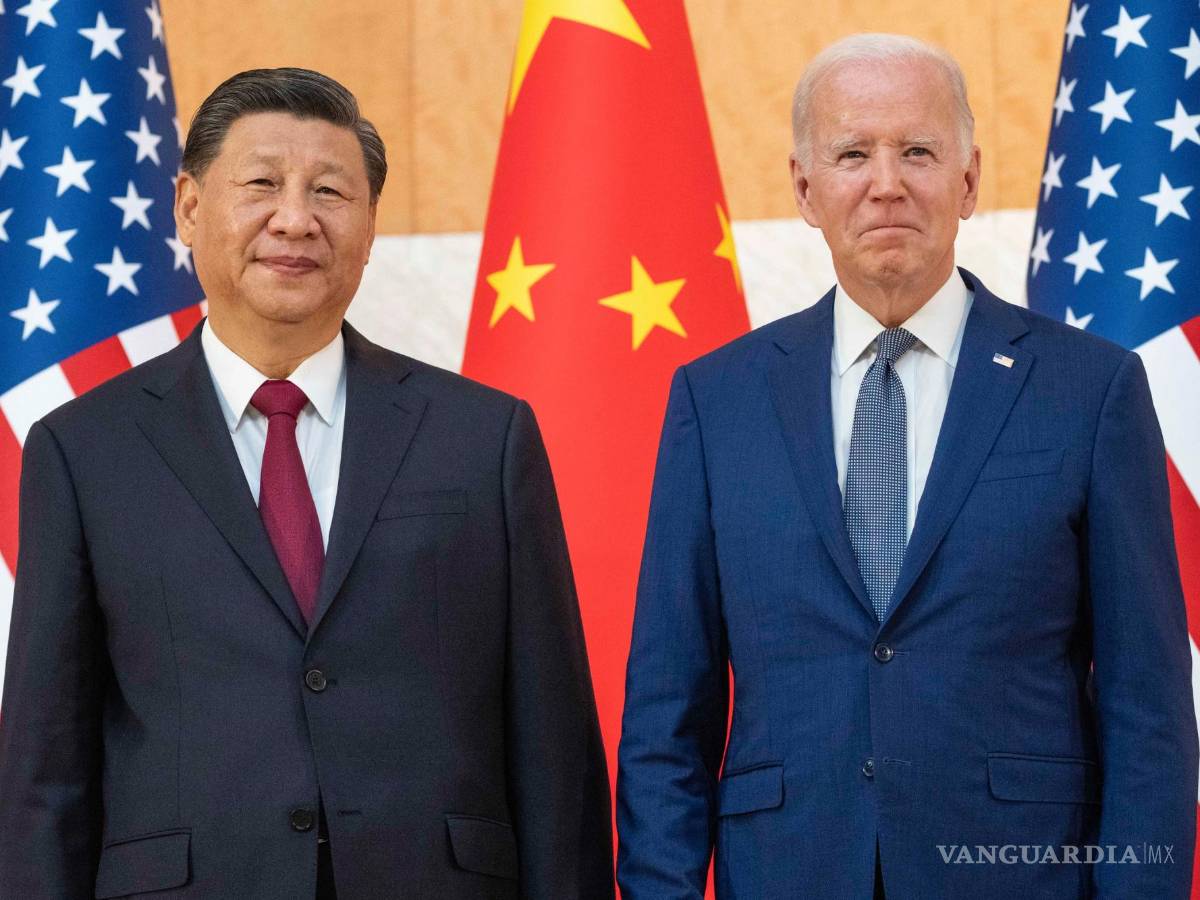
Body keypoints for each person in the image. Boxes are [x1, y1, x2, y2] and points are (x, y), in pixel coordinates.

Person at [0, 68, 613, 900]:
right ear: (187, 207)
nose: (295, 219)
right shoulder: (83, 449)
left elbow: (554, 746)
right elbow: (46, 763)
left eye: (330, 191)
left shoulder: (484, 436)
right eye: (261, 184)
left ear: (367, 230)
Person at [616, 33, 1197, 899]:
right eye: (853, 153)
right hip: (787, 871)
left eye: (917, 151)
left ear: (966, 182)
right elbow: (669, 708)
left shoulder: (1092, 388)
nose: (886, 181)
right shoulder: (717, 399)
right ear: (805, 189)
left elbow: (1146, 706)